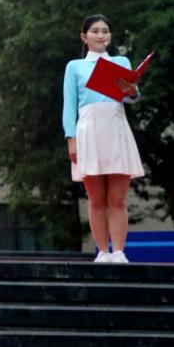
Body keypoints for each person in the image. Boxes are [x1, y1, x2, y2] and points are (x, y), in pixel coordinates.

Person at [62, 14, 145, 263]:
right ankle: (102, 251)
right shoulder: (74, 67)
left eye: (105, 31)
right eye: (95, 31)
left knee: (117, 199)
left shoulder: (121, 61)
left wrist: (132, 91)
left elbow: (132, 96)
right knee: (96, 198)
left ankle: (118, 251)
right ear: (84, 36)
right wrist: (71, 139)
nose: (101, 35)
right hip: (88, 130)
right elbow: (69, 105)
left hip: (116, 127)